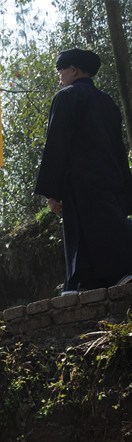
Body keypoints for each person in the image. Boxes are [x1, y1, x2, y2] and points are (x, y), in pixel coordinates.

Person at [34, 47, 132, 292]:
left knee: (82, 232)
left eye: (61, 70)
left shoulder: (67, 97)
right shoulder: (108, 103)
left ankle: (85, 283)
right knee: (109, 225)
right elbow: (119, 147)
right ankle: (116, 276)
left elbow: (57, 144)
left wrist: (52, 190)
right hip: (111, 179)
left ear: (73, 70)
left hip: (80, 182)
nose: (59, 77)